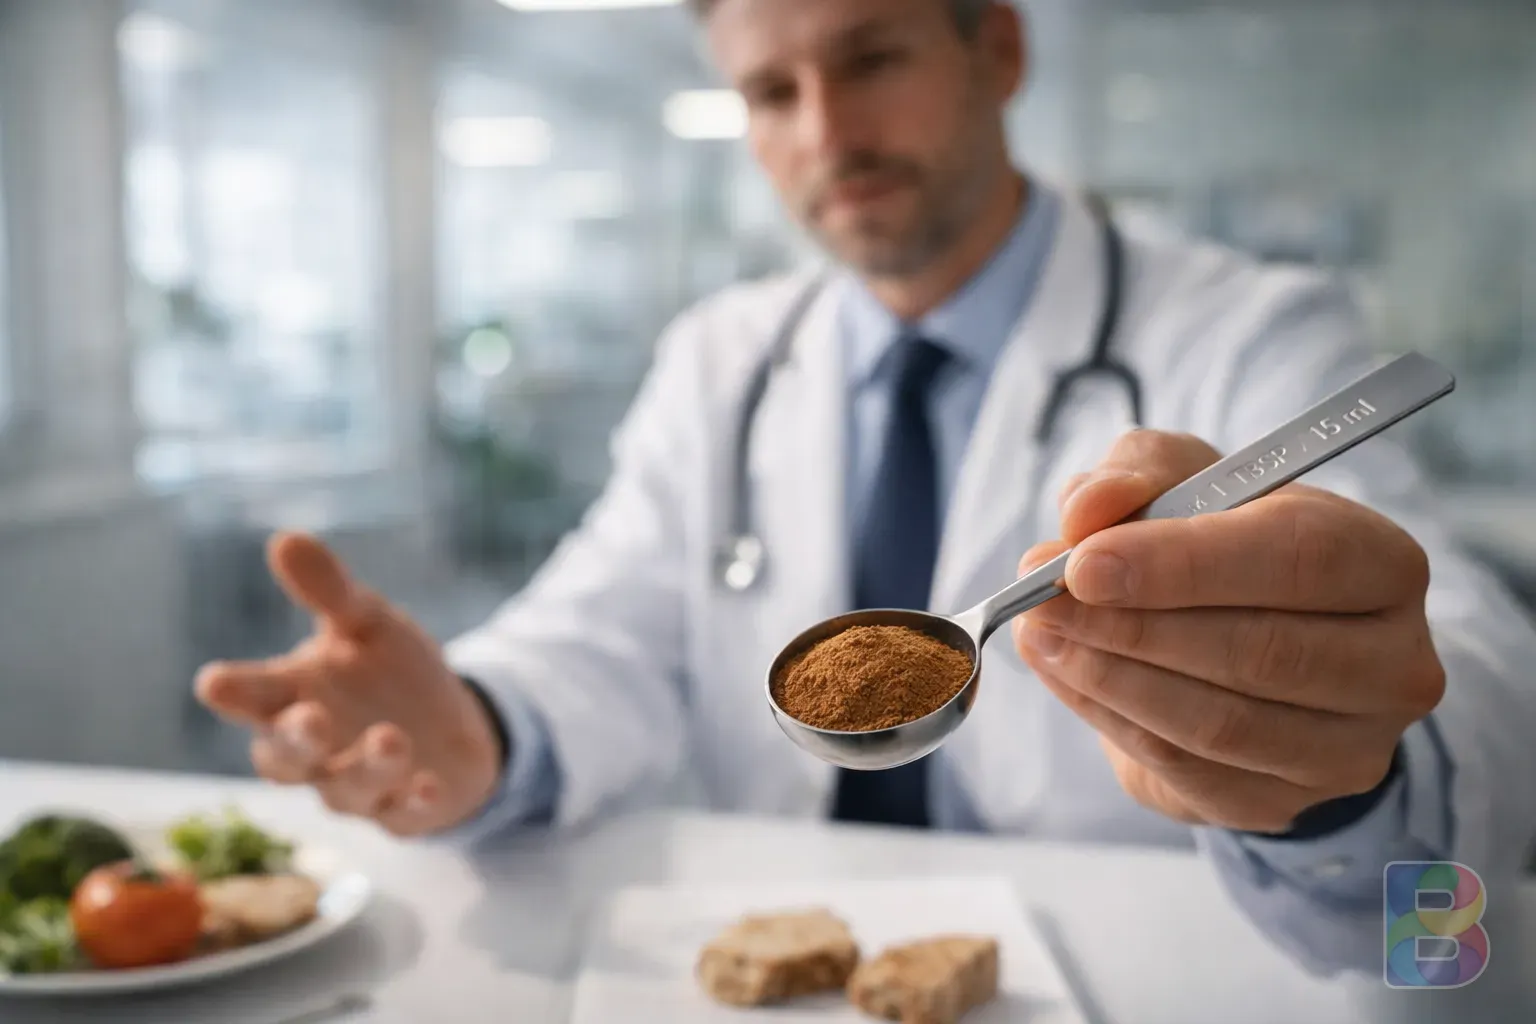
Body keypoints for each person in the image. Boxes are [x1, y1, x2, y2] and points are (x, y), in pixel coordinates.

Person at [195, 0, 1536, 975]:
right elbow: (602, 630)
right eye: (772, 92)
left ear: (996, 50)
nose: (828, 131)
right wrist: (474, 724)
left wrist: (1344, 774)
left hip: (1148, 975)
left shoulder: (1251, 332)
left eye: (872, 57)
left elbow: (1464, 660)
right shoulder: (722, 357)